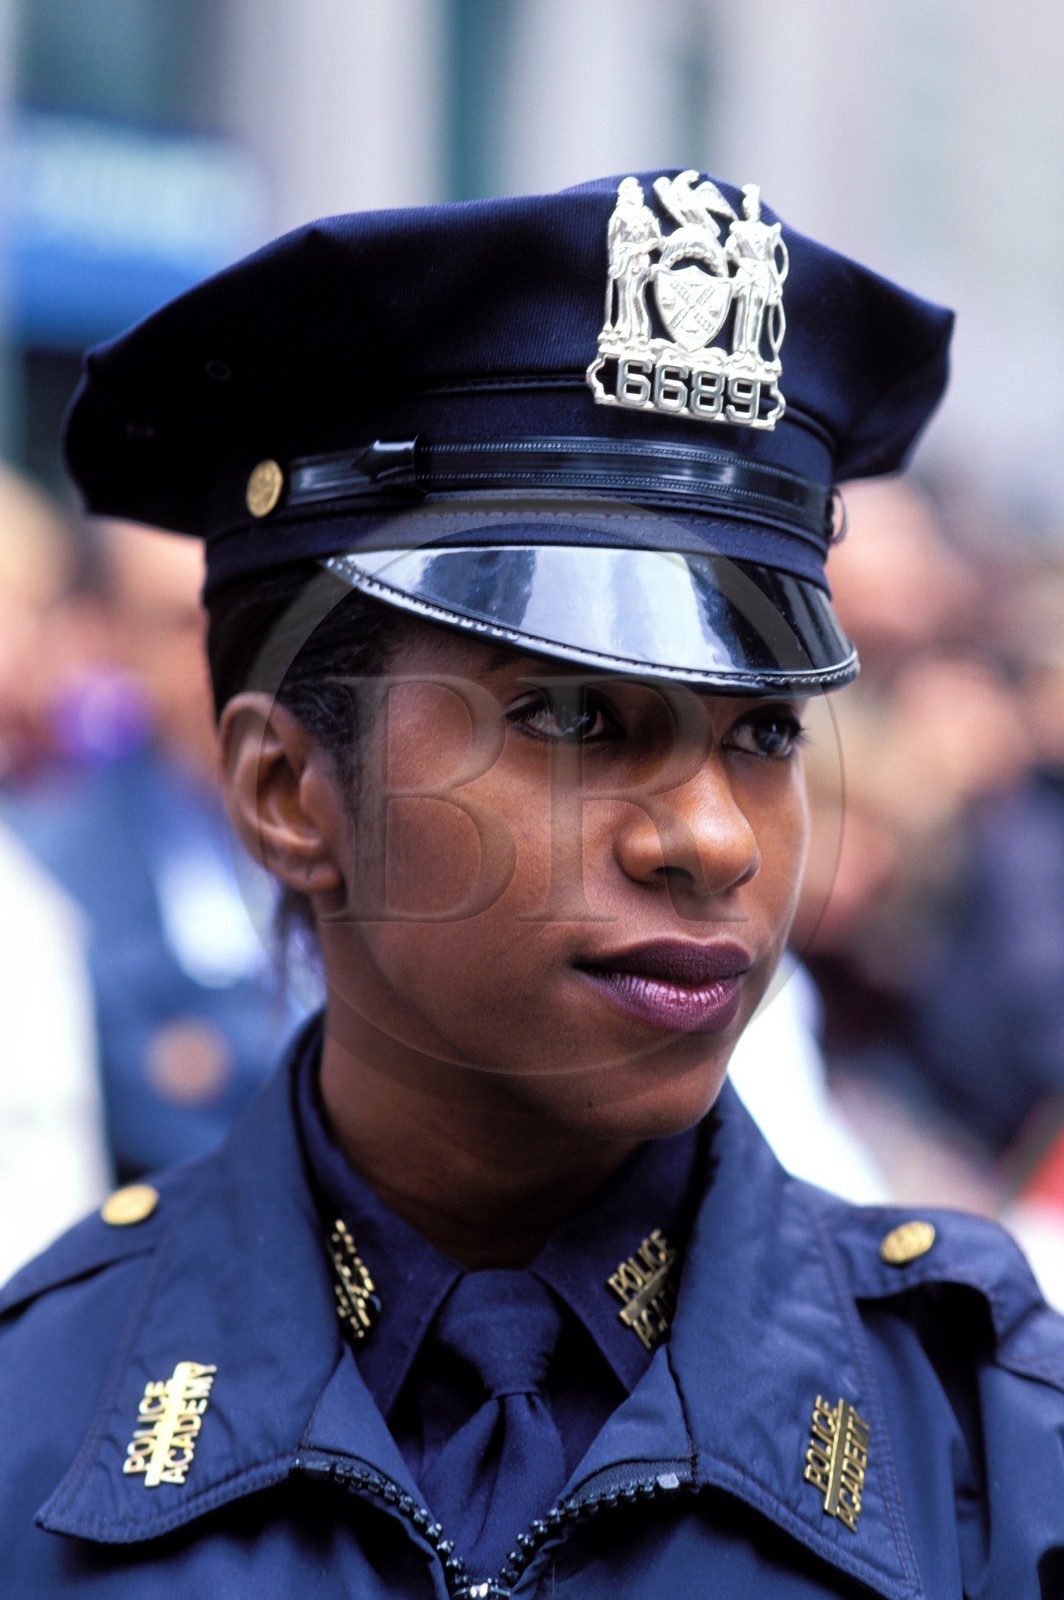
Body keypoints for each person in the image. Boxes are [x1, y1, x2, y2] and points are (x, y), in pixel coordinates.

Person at [1, 170, 1062, 1598]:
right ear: (286, 791)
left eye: (762, 732)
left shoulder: (995, 1446)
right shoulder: (36, 1431)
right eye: (574, 718)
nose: (714, 837)